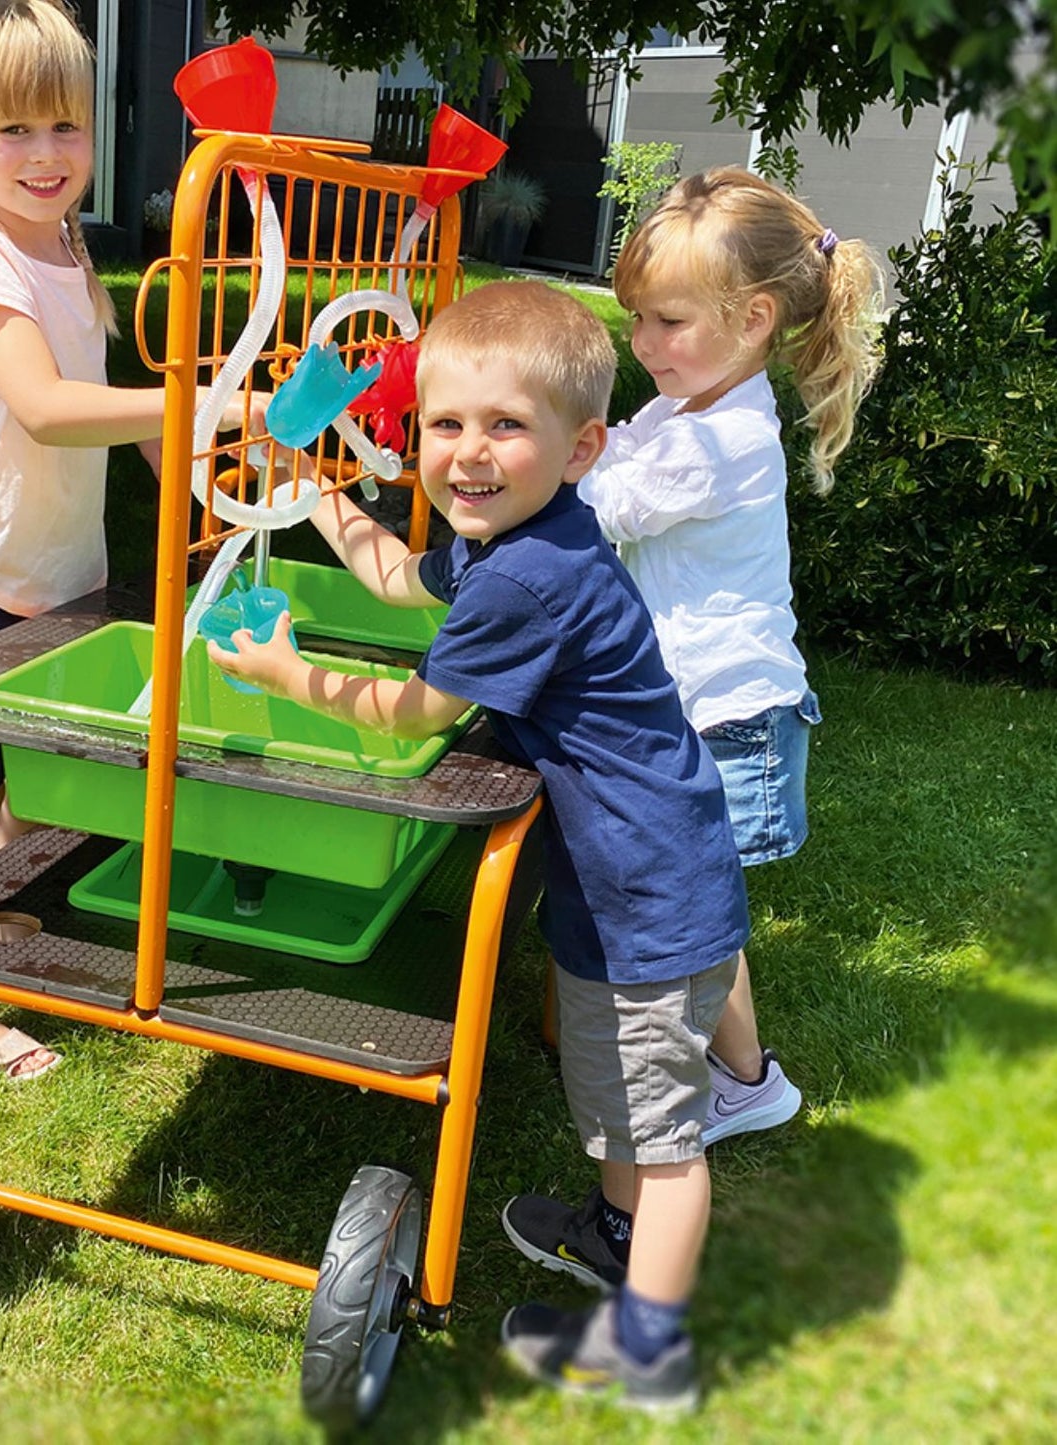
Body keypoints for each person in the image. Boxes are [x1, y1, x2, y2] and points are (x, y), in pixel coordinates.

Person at [210, 280, 749, 1413]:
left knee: (663, 1138)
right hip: (627, 875)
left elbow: (414, 710)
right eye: (445, 423)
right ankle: (615, 1239)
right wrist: (314, 486)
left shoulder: (529, 577)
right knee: (616, 1093)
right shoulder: (518, 534)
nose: (466, 452)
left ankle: (648, 1348)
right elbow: (396, 577)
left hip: (646, 889)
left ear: (582, 446)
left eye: (505, 425)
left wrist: (283, 673)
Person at [0, 0, 260, 1078]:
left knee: (39, 794)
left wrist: (196, 478)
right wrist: (204, 405)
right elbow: (48, 409)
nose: (45, 154)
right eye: (12, 130)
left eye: (66, 125)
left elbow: (103, 400)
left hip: (62, 573)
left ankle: (15, 949)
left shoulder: (60, 239)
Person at [576, 167, 884, 1142]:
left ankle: (739, 1081)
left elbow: (605, 502)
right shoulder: (681, 413)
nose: (640, 342)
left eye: (666, 321)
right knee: (694, 916)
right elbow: (613, 457)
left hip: (728, 718)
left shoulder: (724, 440)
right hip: (697, 707)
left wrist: (523, 449)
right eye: (636, 317)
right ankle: (741, 1075)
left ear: (752, 321)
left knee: (693, 924)